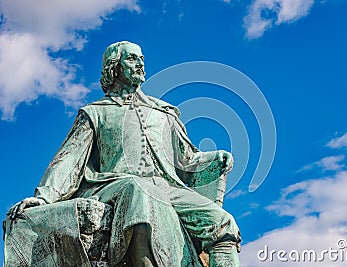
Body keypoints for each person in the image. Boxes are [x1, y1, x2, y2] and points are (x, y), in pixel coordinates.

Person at [9, 41, 241, 266]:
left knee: (222, 223)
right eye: (132, 58)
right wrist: (45, 197)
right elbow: (69, 159)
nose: (140, 64)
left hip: (168, 188)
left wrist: (212, 160)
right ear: (114, 67)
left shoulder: (164, 112)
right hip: (115, 184)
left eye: (141, 58)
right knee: (140, 192)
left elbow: (186, 160)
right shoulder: (95, 113)